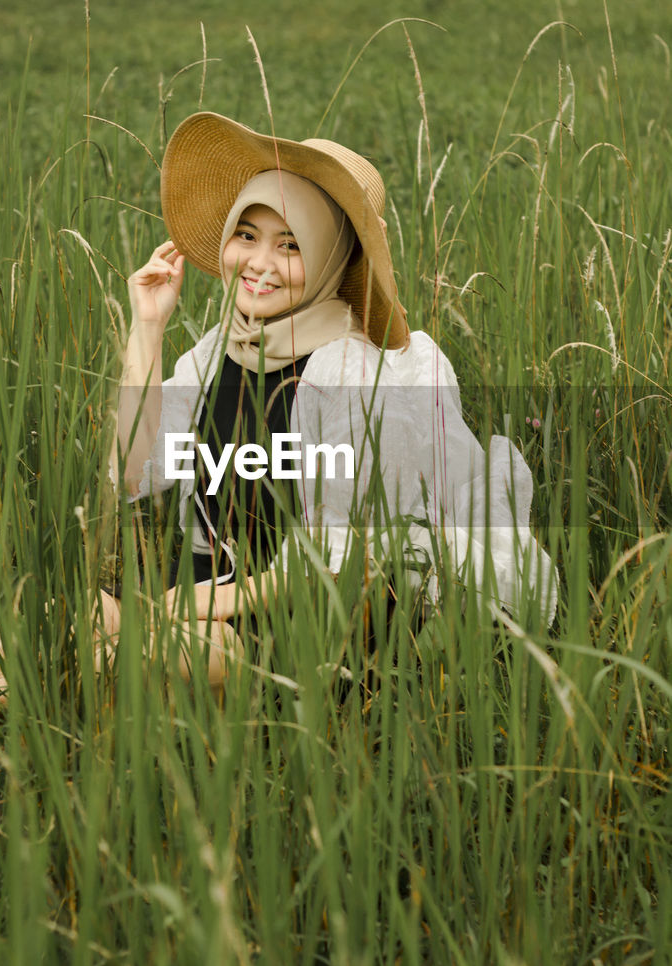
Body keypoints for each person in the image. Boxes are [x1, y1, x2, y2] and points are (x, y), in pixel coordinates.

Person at [100, 112, 557, 687]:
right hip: (196, 586)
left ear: (330, 256)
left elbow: (354, 555)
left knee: (138, 658)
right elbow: (138, 474)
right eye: (247, 235)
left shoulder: (353, 372)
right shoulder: (218, 351)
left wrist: (192, 607)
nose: (259, 265)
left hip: (293, 618)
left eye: (290, 245)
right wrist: (147, 329)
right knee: (35, 632)